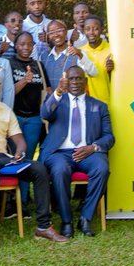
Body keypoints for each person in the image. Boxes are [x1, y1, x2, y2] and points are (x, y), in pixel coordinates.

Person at [0, 72, 68, 254]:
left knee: (39, 169)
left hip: (3, 158)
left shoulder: (5, 109)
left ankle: (43, 226)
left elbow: (19, 140)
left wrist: (20, 151)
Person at [40, 65, 112, 238]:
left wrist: (92, 148)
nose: (75, 82)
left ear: (85, 81)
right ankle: (66, 221)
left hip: (87, 152)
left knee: (102, 169)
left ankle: (85, 218)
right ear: (66, 81)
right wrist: (57, 91)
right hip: (60, 152)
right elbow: (44, 114)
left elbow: (109, 137)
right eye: (71, 79)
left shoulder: (99, 106)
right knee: (59, 170)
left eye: (79, 78)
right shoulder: (58, 100)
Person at [8, 32, 47, 215]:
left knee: (27, 159)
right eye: (22, 44)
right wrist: (24, 80)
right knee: (12, 157)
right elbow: (8, 93)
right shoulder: (9, 64)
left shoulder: (38, 65)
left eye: (29, 44)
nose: (26, 47)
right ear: (16, 45)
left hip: (34, 119)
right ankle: (8, 201)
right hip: (13, 118)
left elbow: (46, 90)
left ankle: (22, 202)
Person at [38, 19, 98, 87]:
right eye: (51, 32)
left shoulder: (77, 53)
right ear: (48, 36)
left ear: (66, 32)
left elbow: (93, 73)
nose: (56, 34)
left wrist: (80, 55)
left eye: (59, 30)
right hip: (51, 97)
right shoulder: (43, 57)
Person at [80, 16, 113, 103]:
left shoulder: (112, 50)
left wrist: (111, 71)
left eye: (95, 29)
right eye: (87, 29)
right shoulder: (80, 52)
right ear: (84, 30)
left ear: (102, 30)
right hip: (87, 104)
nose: (91, 32)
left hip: (108, 104)